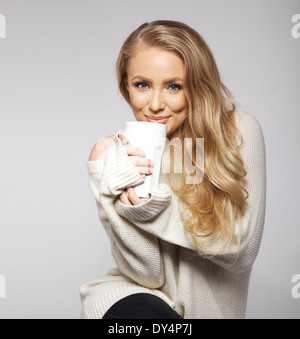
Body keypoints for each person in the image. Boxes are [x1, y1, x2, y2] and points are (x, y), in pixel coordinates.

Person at [80, 20, 266, 319]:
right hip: (133, 301)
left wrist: (151, 207)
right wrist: (119, 197)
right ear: (126, 88)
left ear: (197, 87)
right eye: (142, 85)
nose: (155, 104)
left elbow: (238, 250)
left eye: (173, 86)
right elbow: (148, 275)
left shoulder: (237, 132)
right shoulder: (115, 155)